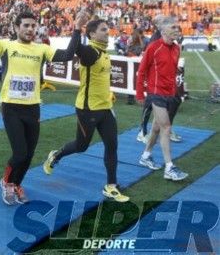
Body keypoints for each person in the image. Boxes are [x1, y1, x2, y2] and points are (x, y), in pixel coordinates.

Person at [0, 9, 89, 205]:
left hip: (33, 108)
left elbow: (68, 55)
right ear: (16, 27)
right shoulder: (6, 46)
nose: (30, 29)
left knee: (29, 154)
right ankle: (6, 182)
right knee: (20, 152)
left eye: (33, 26)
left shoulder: (41, 49)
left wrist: (77, 28)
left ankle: (17, 184)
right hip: (11, 107)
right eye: (26, 26)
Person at [41, 17, 130, 203]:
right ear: (92, 34)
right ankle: (56, 155)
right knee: (81, 147)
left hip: (105, 109)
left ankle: (111, 186)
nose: (108, 32)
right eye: (104, 29)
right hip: (87, 110)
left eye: (108, 29)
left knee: (112, 145)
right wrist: (75, 28)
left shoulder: (104, 52)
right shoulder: (90, 51)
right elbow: (72, 50)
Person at [136, 16, 188, 181]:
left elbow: (172, 73)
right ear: (163, 30)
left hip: (170, 94)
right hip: (156, 93)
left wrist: (176, 93)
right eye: (173, 27)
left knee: (157, 129)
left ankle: (146, 155)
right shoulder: (153, 47)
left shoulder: (177, 48)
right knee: (166, 127)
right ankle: (169, 167)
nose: (177, 30)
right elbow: (142, 72)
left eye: (177, 27)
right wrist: (139, 94)